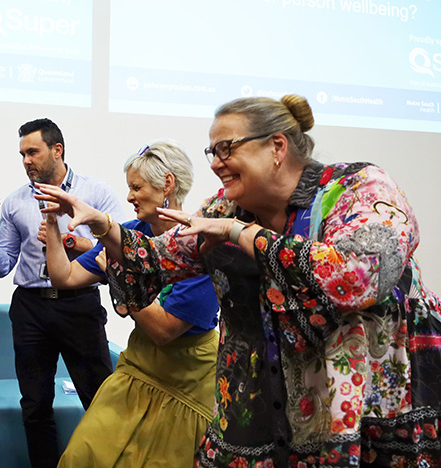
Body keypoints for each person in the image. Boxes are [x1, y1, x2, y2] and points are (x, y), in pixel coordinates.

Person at [35, 94, 441, 467]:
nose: (214, 162)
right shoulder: (227, 206)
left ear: (277, 147)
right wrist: (104, 225)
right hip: (257, 411)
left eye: (226, 148)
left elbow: (356, 276)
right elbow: (159, 260)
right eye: (211, 151)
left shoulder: (357, 189)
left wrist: (241, 233)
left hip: (362, 411)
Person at [46, 140, 219, 468]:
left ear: (167, 184)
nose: (129, 197)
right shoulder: (129, 234)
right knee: (81, 456)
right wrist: (53, 224)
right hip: (138, 371)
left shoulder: (200, 242)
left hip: (187, 382)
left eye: (137, 187)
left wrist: (118, 272)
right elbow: (64, 278)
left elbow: (164, 330)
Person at [0, 118, 125, 468]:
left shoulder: (97, 193)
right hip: (31, 309)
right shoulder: (14, 202)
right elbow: (2, 264)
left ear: (57, 150)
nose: (27, 160)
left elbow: (121, 249)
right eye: (22, 154)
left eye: (33, 152)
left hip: (79, 305)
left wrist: (69, 241)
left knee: (99, 399)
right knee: (35, 405)